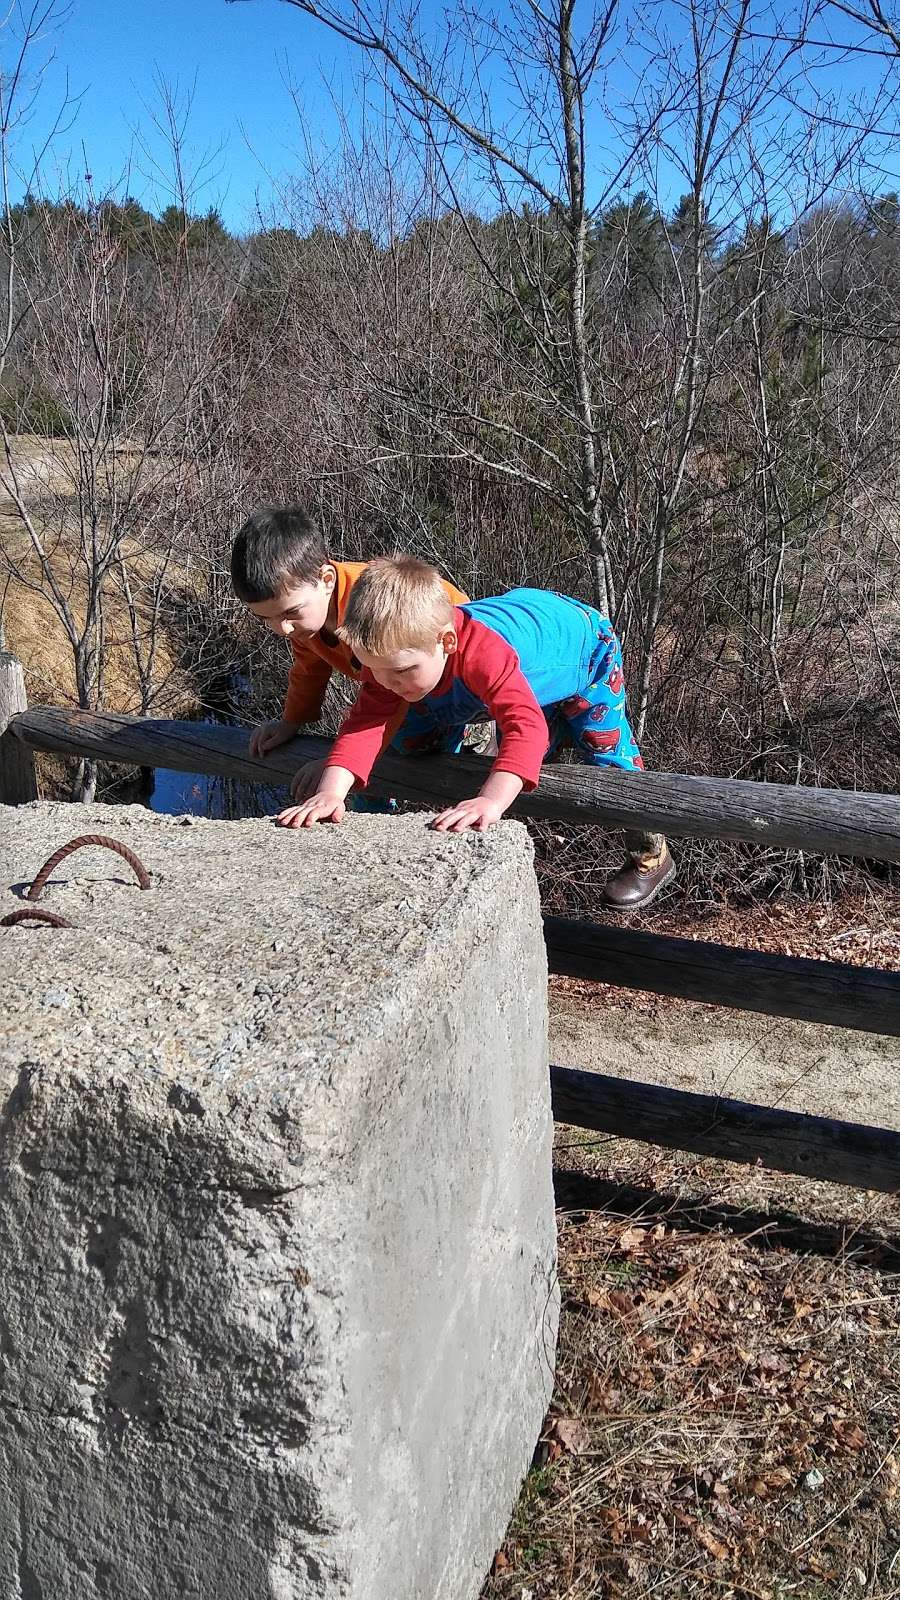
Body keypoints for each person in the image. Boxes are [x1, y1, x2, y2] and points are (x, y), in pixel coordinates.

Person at [277, 556, 675, 910]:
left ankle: (651, 853)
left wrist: (489, 801)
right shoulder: (396, 658)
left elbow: (524, 727)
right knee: (410, 740)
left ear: (446, 642)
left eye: (399, 671)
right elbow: (365, 723)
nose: (386, 682)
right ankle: (393, 811)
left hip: (582, 649)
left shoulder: (484, 654)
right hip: (507, 663)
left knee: (603, 749)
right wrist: (332, 791)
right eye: (372, 669)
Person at [230, 504, 470, 802]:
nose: (283, 629)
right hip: (402, 684)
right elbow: (309, 668)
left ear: (326, 579)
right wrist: (291, 722)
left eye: (290, 613)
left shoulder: (371, 605)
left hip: (448, 677)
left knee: (410, 751)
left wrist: (337, 763)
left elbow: (387, 701)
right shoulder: (307, 621)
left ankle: (454, 758)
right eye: (265, 619)